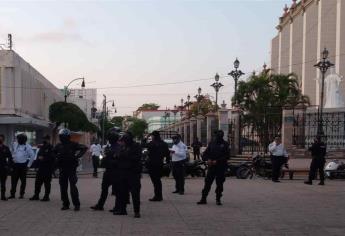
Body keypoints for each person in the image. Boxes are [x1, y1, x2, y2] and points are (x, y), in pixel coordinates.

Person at [54, 129, 87, 211]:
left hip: (71, 168)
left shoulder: (73, 144)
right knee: (63, 187)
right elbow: (53, 152)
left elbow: (84, 148)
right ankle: (65, 204)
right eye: (61, 136)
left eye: (64, 136)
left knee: (73, 187)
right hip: (62, 168)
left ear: (68, 137)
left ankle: (76, 205)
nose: (62, 138)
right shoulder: (58, 145)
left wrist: (77, 156)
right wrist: (57, 158)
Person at [90, 129, 121, 211]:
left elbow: (117, 160)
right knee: (104, 189)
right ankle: (100, 205)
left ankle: (117, 207)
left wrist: (109, 159)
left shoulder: (118, 147)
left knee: (117, 190)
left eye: (109, 138)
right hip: (108, 171)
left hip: (115, 171)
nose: (108, 140)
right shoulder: (109, 147)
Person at [197, 130, 230, 205]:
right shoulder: (212, 143)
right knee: (207, 183)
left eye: (218, 135)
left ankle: (218, 199)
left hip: (220, 167)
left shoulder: (225, 144)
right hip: (211, 167)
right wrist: (207, 159)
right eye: (216, 135)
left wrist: (217, 161)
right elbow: (205, 154)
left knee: (219, 184)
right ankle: (203, 199)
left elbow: (227, 156)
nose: (216, 137)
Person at [115, 132, 142, 218]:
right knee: (122, 192)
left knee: (135, 193)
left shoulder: (136, 146)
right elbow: (119, 156)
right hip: (123, 172)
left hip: (133, 173)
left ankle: (136, 212)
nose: (122, 142)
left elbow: (137, 158)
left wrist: (125, 155)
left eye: (123, 141)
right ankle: (123, 210)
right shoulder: (124, 147)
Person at [9, 133, 35, 199]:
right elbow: (11, 152)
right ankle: (12, 194)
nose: (17, 140)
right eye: (17, 139)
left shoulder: (28, 146)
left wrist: (28, 165)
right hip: (15, 165)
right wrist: (12, 159)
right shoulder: (14, 144)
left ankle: (21, 194)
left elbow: (32, 156)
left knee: (23, 181)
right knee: (13, 180)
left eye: (19, 139)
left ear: (23, 140)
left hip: (23, 165)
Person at [29, 135, 55, 201]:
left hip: (48, 169)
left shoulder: (51, 148)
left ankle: (46, 196)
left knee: (47, 183)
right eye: (44, 139)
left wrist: (44, 158)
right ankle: (36, 195)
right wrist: (36, 166)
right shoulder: (41, 147)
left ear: (48, 140)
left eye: (45, 139)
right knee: (37, 183)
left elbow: (52, 158)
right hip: (40, 168)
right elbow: (38, 157)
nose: (44, 140)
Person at [146, 131, 170, 202]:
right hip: (160, 163)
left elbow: (143, 144)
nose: (151, 137)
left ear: (154, 136)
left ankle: (158, 196)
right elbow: (167, 154)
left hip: (152, 164)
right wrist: (167, 163)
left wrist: (146, 137)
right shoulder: (164, 144)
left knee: (155, 181)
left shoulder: (152, 143)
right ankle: (159, 195)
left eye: (152, 136)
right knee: (157, 181)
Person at [0, 134, 12, 201]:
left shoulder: (6, 148)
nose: (0, 140)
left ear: (3, 140)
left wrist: (8, 166)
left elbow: (10, 157)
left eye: (1, 139)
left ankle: (3, 196)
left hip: (3, 168)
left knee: (3, 183)